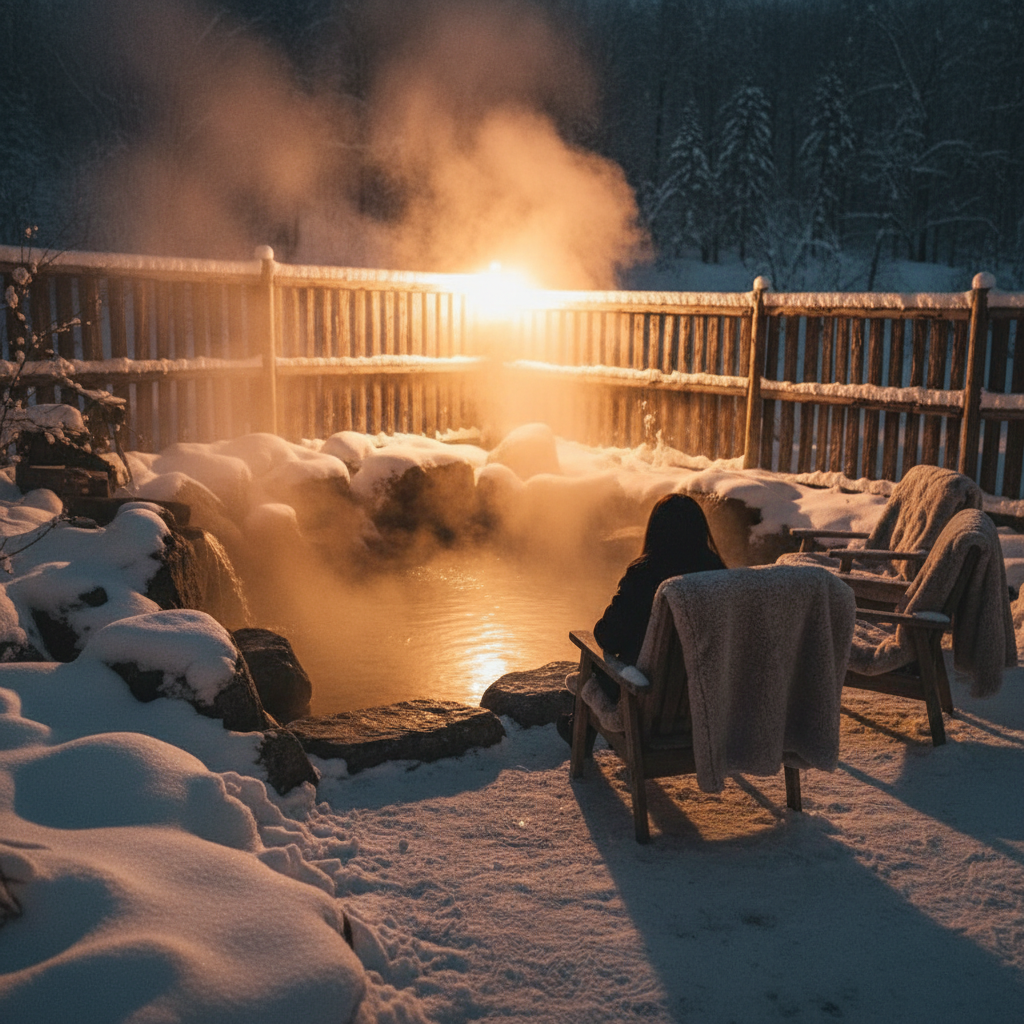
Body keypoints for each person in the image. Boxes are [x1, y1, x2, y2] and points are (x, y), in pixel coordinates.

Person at [558, 493, 726, 746]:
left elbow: (608, 637)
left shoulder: (644, 575)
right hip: (703, 707)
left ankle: (578, 732)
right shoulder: (720, 576)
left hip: (646, 702)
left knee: (594, 656)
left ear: (656, 532)